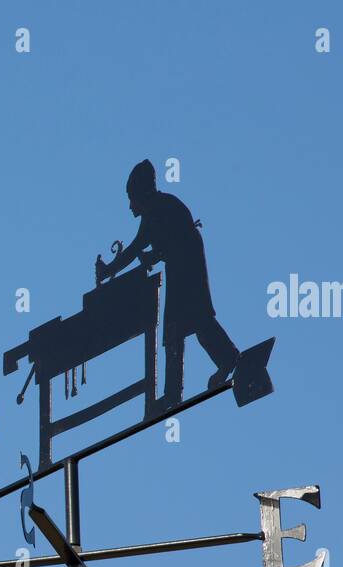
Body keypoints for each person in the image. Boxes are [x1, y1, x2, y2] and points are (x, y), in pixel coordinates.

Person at [95, 159, 240, 409]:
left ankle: (183, 388)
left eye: (132, 198)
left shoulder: (156, 210)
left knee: (186, 325)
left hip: (186, 271)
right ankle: (220, 363)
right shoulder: (162, 207)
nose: (130, 205)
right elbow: (158, 243)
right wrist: (155, 254)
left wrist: (110, 269)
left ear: (142, 195)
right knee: (192, 323)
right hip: (184, 268)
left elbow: (136, 248)